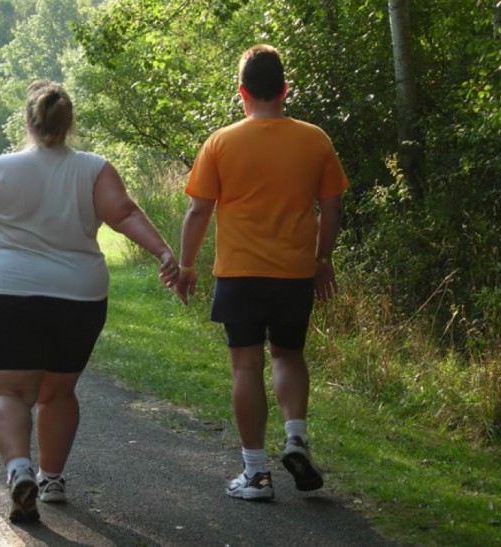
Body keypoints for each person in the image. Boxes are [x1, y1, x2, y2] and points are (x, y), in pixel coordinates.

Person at [0, 80, 179, 523]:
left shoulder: (0, 167)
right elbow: (124, 214)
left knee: (7, 390)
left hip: (8, 292)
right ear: (69, 123)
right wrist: (163, 252)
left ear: (28, 120)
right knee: (58, 391)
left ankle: (19, 469)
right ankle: (52, 479)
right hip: (78, 297)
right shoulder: (94, 168)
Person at [175, 44, 348, 501]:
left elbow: (198, 212)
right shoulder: (315, 140)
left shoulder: (220, 142)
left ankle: (255, 474)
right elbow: (331, 208)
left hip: (240, 274)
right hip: (294, 272)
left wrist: (187, 265)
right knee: (288, 354)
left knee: (246, 365)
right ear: (285, 90)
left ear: (242, 92)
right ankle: (295, 437)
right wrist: (322, 259)